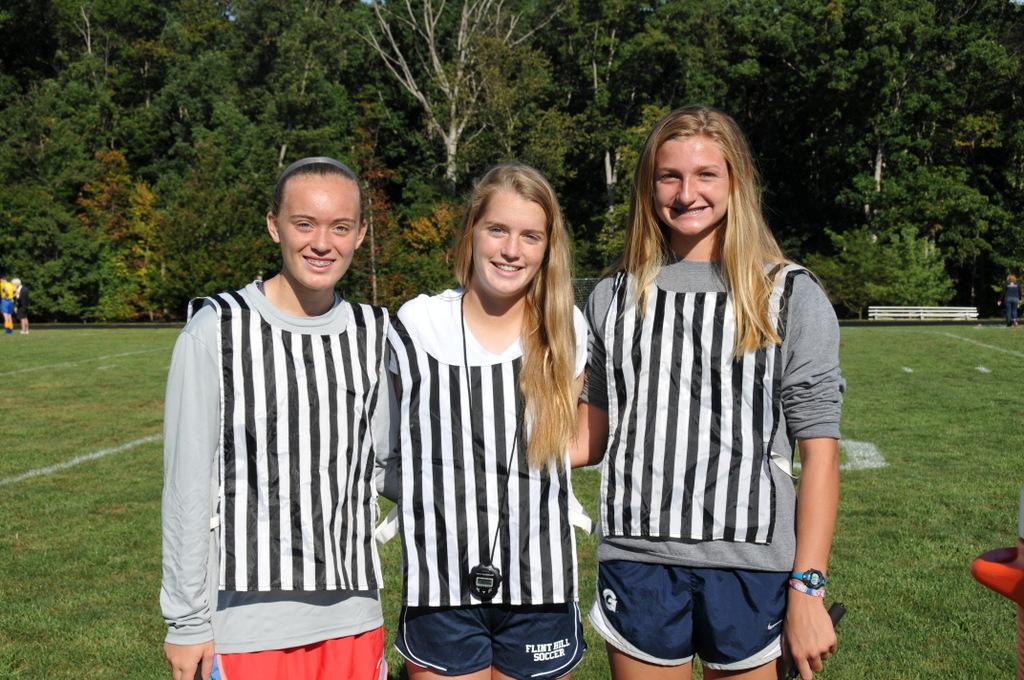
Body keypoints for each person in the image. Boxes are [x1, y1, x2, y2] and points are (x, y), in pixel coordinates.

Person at [572, 106, 843, 680]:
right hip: (638, 556)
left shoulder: (789, 294)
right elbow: (587, 438)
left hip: (751, 562)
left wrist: (808, 587)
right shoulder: (611, 296)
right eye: (669, 176)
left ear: (735, 180)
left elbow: (820, 452)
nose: (685, 192)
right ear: (649, 186)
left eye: (705, 175)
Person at [161, 157, 390, 680]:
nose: (321, 243)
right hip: (247, 626)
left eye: (340, 227)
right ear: (274, 226)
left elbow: (387, 465)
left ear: (359, 235)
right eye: (303, 224)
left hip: (354, 618)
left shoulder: (375, 332)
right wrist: (187, 621)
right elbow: (186, 488)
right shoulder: (215, 329)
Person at [384, 163, 589, 679]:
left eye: (530, 236)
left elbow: (576, 442)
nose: (511, 250)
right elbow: (384, 443)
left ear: (548, 247)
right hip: (441, 585)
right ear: (471, 233)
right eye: (497, 229)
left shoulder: (566, 331)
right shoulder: (419, 323)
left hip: (539, 585)